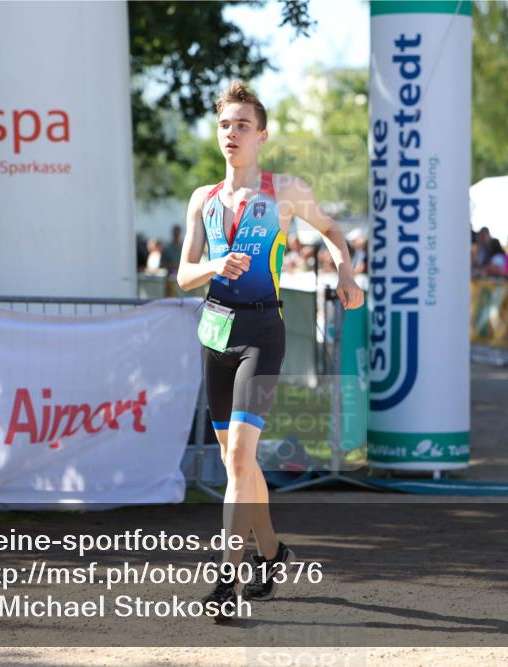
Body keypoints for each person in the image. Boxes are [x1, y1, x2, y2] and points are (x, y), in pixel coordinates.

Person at [176, 80, 363, 619]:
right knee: (243, 463)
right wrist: (215, 265)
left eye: (241, 125)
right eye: (224, 125)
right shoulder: (203, 200)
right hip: (216, 334)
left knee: (237, 457)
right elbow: (184, 276)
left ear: (262, 135)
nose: (230, 133)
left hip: (262, 333)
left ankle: (227, 584)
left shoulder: (284, 191)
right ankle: (273, 553)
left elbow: (332, 231)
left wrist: (345, 270)